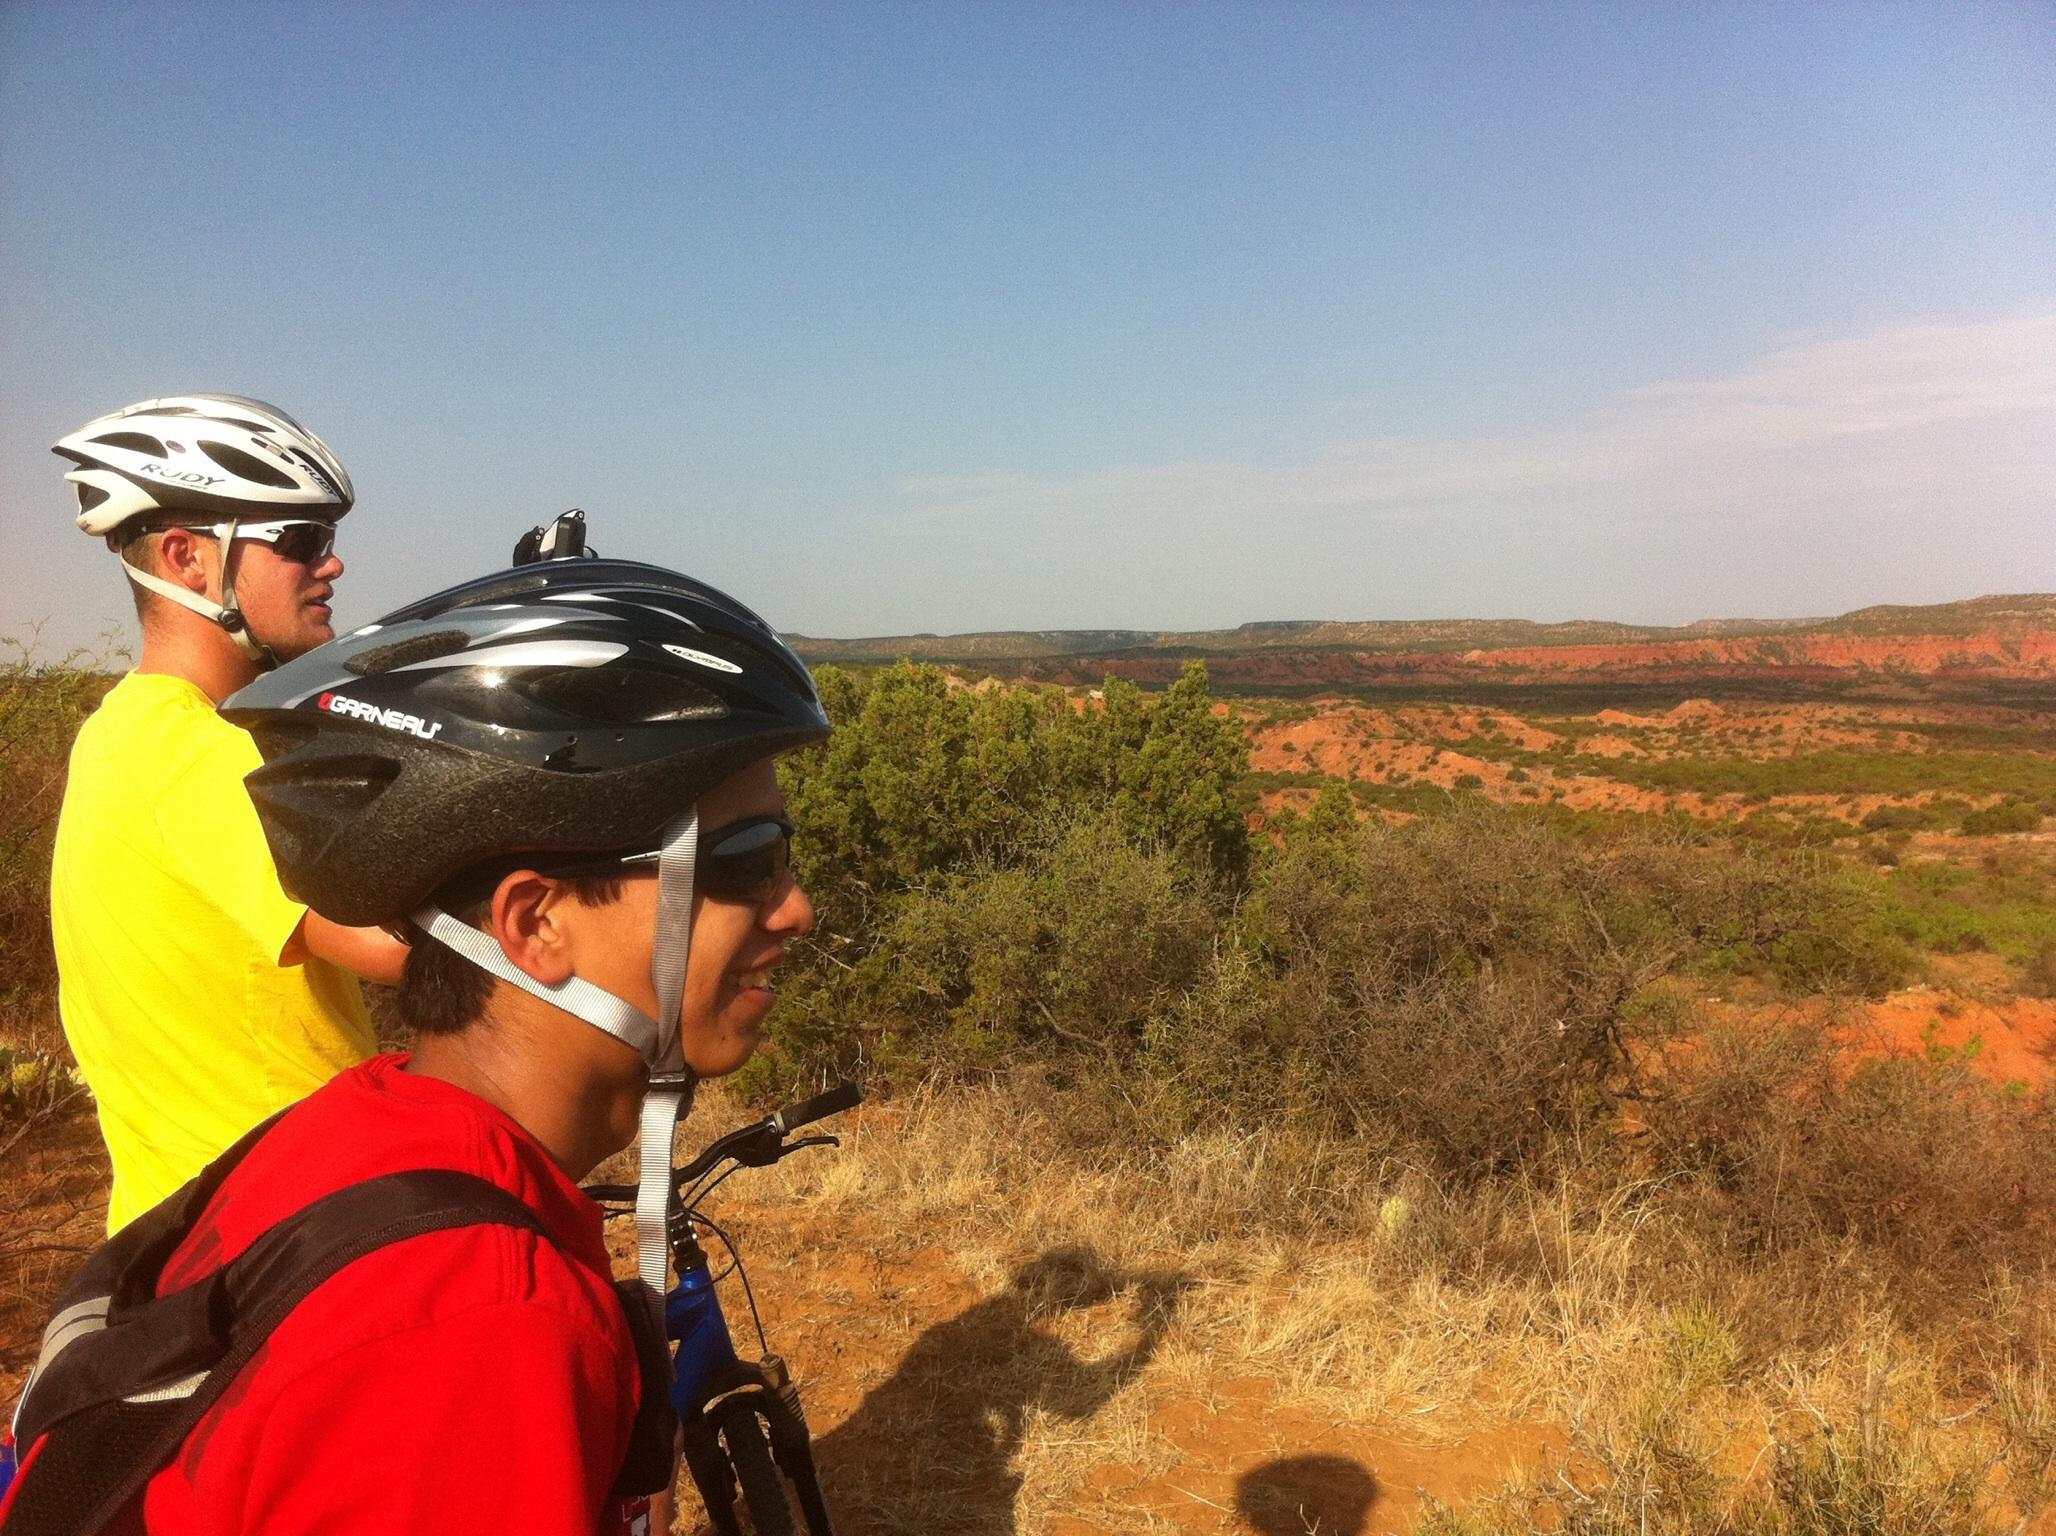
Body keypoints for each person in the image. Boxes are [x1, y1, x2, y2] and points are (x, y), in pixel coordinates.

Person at [121, 553, 830, 1532]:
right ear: (535, 924)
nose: (795, 907)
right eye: (745, 861)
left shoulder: (358, 1132)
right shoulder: (479, 1321)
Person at [48, 394, 409, 1229]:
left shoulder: (124, 736)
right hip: (273, 1231)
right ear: (188, 558)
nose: (333, 566)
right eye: (302, 541)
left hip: (200, 1222)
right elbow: (390, 943)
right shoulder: (194, 754)